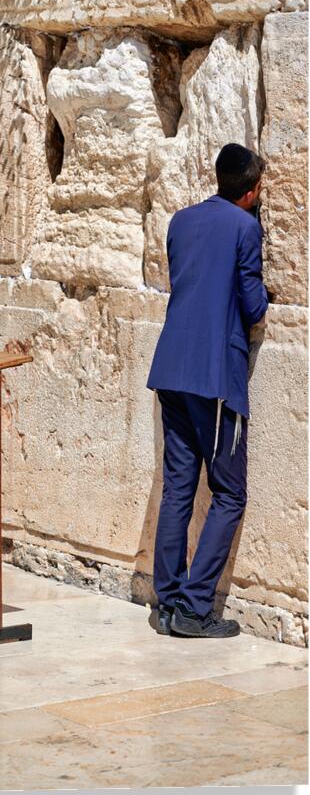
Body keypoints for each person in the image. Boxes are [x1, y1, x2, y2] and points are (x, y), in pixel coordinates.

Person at [146, 143, 269, 637]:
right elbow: (252, 302)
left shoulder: (180, 220)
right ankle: (196, 609)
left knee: (178, 488)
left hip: (172, 369)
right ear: (251, 192)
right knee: (230, 493)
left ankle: (167, 602)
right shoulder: (245, 227)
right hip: (215, 378)